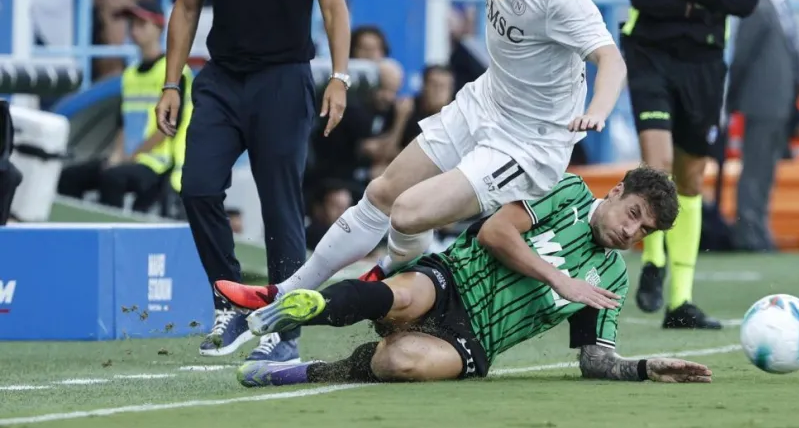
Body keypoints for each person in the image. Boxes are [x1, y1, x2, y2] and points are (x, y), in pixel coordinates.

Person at [223, 0, 628, 314]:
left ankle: (389, 276)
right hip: (487, 101)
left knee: (407, 213)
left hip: (528, 143)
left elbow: (611, 59)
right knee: (382, 192)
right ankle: (284, 292)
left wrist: (597, 110)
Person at [218, 167, 711, 387]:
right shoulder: (568, 192)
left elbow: (595, 361)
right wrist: (560, 280)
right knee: (402, 297)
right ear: (618, 191)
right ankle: (296, 311)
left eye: (645, 231)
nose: (631, 232)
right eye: (634, 214)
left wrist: (644, 368)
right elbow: (496, 232)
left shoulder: (612, 279)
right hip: (452, 279)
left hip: (473, 341)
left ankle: (295, 371)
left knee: (399, 362)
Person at [155, 0, 352, 361]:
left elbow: (334, 7)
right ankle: (230, 303)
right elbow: (186, 9)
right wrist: (171, 82)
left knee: (280, 207)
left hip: (284, 80)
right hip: (220, 80)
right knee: (197, 187)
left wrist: (339, 77)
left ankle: (283, 332)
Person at [619, 0, 758, 328]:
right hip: (651, 53)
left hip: (705, 61)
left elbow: (746, 0)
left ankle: (681, 302)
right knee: (657, 166)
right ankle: (653, 261)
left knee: (692, 178)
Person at [58, 2, 192, 212]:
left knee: (113, 178)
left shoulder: (174, 72)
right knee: (69, 177)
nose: (134, 30)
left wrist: (131, 157)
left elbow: (168, 128)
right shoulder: (129, 75)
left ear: (159, 27)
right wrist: (116, 157)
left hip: (159, 163)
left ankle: (112, 228)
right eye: (132, 24)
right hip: (131, 159)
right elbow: (123, 123)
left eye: (142, 24)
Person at [727, 0, 799, 252]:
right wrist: (734, 97)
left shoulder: (781, 4)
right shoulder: (757, 3)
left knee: (766, 171)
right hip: (761, 103)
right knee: (755, 170)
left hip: (780, 104)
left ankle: (759, 230)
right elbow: (742, 54)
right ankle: (749, 234)